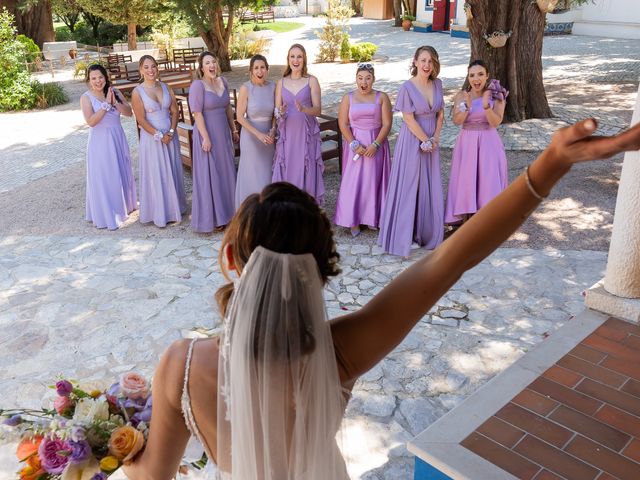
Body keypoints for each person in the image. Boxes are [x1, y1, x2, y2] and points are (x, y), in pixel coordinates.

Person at [123, 118, 640, 480]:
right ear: (320, 270)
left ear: (231, 258)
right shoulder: (341, 353)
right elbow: (451, 259)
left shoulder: (183, 366)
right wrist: (549, 163)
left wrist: (108, 443)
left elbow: (151, 476)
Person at [378, 46, 445, 257]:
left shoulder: (438, 84)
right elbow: (408, 119)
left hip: (430, 140)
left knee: (428, 185)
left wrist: (435, 138)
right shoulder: (407, 87)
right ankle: (403, 236)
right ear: (415, 62)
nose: (427, 65)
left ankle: (424, 234)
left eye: (430, 61)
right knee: (408, 185)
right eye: (423, 60)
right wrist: (424, 140)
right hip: (412, 141)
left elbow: (440, 115)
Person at [445, 60, 508, 226]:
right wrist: (467, 106)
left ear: (487, 75)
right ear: (468, 77)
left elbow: (496, 122)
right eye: (472, 75)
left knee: (488, 179)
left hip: (489, 142)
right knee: (466, 178)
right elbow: (457, 121)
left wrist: (487, 106)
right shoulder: (461, 95)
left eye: (480, 74)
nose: (476, 79)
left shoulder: (497, 95)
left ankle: (488, 218)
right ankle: (466, 216)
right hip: (466, 142)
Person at [334, 63, 392, 236]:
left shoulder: (382, 97)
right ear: (356, 79)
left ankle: (373, 218)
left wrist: (376, 144)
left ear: (373, 79)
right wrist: (353, 143)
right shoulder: (348, 97)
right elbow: (343, 124)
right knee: (354, 182)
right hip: (355, 144)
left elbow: (387, 123)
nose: (363, 82)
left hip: (376, 143)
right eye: (360, 78)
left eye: (367, 78)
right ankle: (353, 220)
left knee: (373, 180)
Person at [131, 55, 186, 227]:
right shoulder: (137, 92)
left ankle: (174, 208)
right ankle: (160, 212)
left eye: (153, 66)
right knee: (157, 173)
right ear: (141, 70)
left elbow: (175, 111)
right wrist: (159, 135)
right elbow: (140, 119)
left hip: (170, 136)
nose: (150, 70)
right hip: (152, 139)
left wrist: (170, 131)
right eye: (146, 67)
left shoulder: (166, 87)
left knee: (172, 170)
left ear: (157, 68)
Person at [80, 64, 137, 230]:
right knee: (105, 174)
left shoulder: (115, 91)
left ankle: (125, 205)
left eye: (100, 77)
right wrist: (106, 104)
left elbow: (128, 113)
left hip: (117, 136)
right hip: (100, 141)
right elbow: (91, 121)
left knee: (120, 169)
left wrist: (115, 103)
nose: (98, 81)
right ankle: (107, 211)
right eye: (94, 78)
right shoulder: (86, 97)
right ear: (89, 80)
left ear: (106, 77)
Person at [189, 51, 238, 233]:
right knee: (212, 174)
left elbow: (227, 108)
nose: (211, 65)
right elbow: (197, 113)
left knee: (226, 171)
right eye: (207, 62)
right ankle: (216, 217)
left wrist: (233, 129)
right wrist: (206, 137)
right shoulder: (197, 86)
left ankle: (231, 213)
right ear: (201, 68)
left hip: (223, 133)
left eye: (213, 62)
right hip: (206, 134)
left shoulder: (223, 82)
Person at [272, 44, 325, 204]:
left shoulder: (312, 81)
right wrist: (280, 112)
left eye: (299, 56)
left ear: (304, 59)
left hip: (306, 133)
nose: (296, 60)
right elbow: (276, 112)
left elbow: (317, 110)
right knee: (287, 167)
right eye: (292, 56)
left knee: (306, 168)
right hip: (287, 134)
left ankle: (306, 209)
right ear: (288, 60)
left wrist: (304, 109)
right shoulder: (281, 82)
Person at [234, 54, 276, 210]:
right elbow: (239, 117)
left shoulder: (273, 87)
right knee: (252, 175)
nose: (260, 71)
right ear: (251, 71)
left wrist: (273, 130)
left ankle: (267, 213)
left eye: (263, 67)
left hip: (269, 139)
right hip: (252, 137)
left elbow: (275, 114)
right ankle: (249, 213)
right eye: (256, 68)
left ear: (267, 69)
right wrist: (258, 134)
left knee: (267, 175)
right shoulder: (246, 88)